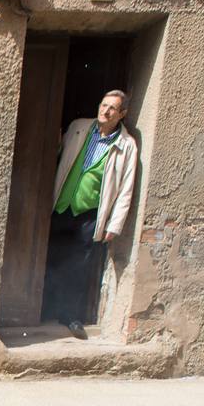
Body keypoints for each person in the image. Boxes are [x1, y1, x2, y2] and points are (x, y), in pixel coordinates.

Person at [42, 90, 139, 339]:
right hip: (61, 206)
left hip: (90, 214)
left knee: (78, 266)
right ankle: (43, 309)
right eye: (103, 105)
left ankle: (70, 316)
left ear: (122, 114)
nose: (105, 111)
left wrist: (114, 225)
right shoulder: (79, 128)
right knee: (49, 256)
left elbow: (126, 189)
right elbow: (56, 154)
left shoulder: (127, 146)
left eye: (112, 108)